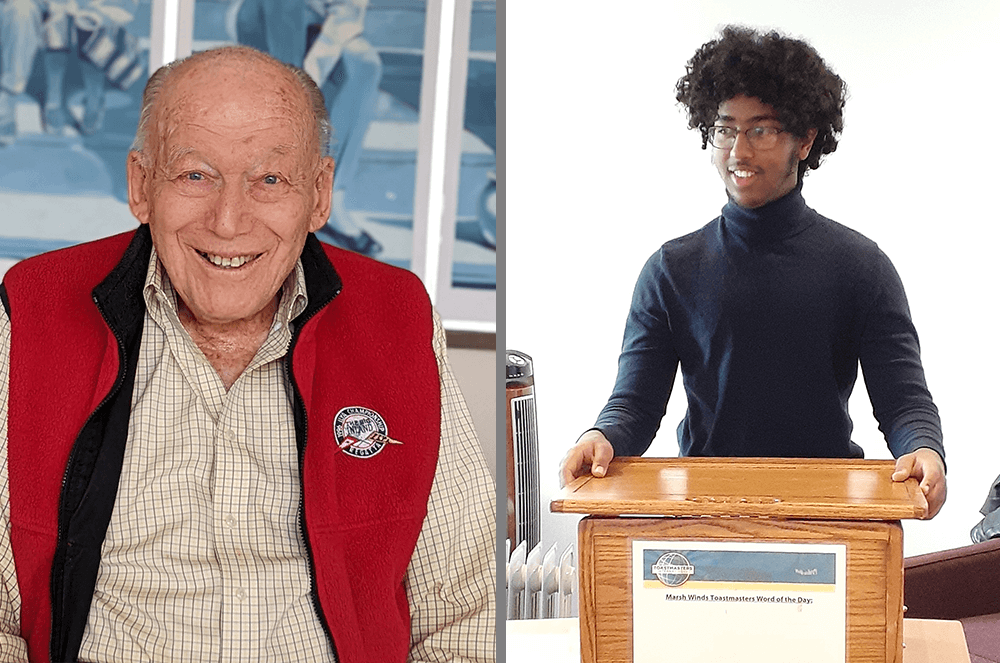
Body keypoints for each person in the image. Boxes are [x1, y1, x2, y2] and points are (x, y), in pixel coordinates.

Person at [0, 45, 494, 662]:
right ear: (141, 185)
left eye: (269, 179)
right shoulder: (32, 315)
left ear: (318, 195)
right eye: (194, 175)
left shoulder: (398, 320)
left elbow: (466, 611)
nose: (229, 221)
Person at [559, 26, 946, 519]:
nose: (738, 152)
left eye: (760, 130)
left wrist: (925, 450)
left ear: (805, 139)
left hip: (826, 513)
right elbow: (634, 403)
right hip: (702, 511)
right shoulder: (670, 270)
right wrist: (600, 435)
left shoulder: (862, 267)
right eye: (724, 129)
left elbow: (904, 401)